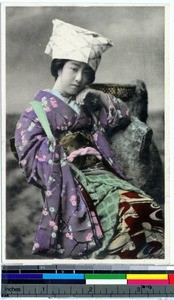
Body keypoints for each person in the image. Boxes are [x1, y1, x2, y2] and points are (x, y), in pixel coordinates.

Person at [14, 19, 164, 259]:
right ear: (59, 67)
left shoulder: (88, 104)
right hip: (71, 180)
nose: (79, 78)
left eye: (86, 73)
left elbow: (122, 117)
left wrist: (102, 97)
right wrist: (56, 151)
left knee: (150, 210)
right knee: (132, 217)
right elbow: (28, 157)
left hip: (103, 175)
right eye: (74, 68)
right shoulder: (36, 112)